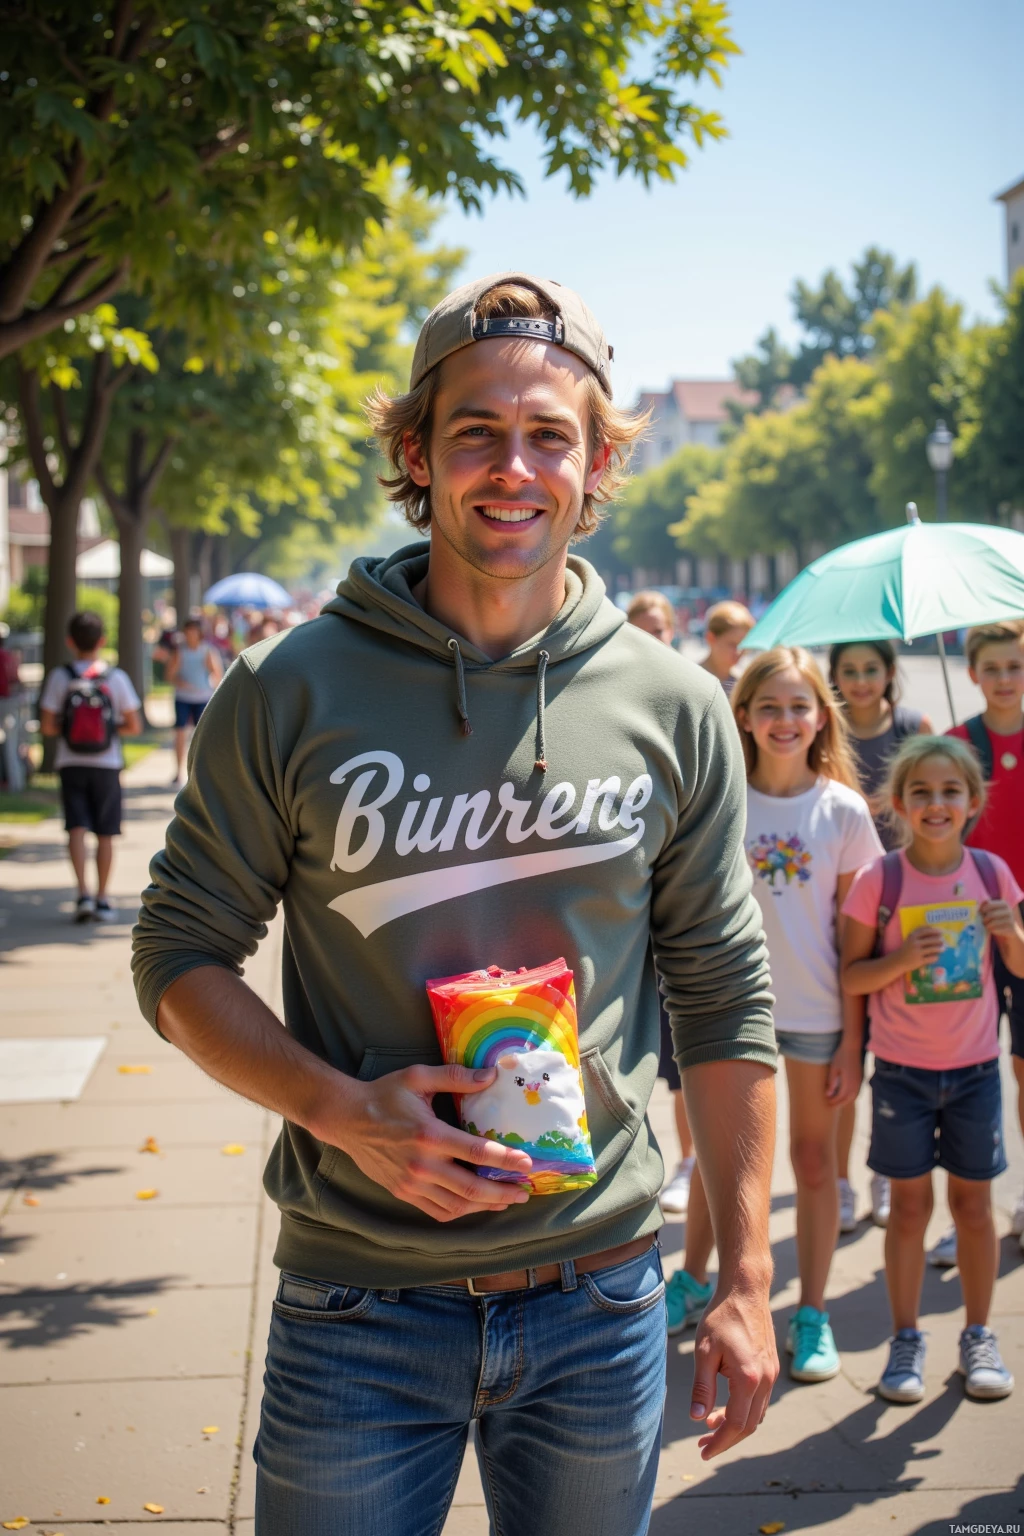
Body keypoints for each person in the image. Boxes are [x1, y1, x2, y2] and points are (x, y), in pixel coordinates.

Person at [133, 272, 779, 1536]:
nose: (514, 466)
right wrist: (341, 1111)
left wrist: (746, 1276)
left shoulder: (676, 706)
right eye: (477, 430)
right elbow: (178, 954)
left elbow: (722, 997)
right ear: (417, 454)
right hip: (358, 1310)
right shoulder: (286, 690)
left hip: (599, 1296)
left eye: (552, 436)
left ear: (596, 467)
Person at [673, 647, 881, 1378]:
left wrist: (856, 1042)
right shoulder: (721, 798)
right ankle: (694, 1280)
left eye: (799, 707)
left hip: (820, 1016)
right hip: (730, 1012)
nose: (785, 720)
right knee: (714, 1161)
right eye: (770, 707)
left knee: (815, 1162)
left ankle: (813, 1313)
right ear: (744, 717)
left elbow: (857, 942)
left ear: (822, 717)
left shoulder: (845, 811)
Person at [841, 735, 1024, 1403]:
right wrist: (900, 960)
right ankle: (906, 1339)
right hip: (902, 1078)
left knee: (975, 1210)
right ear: (898, 804)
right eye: (922, 792)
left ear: (973, 802)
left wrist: (1012, 932)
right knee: (910, 1211)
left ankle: (979, 1334)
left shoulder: (992, 873)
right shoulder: (879, 881)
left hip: (976, 1072)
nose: (936, 804)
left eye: (951, 792)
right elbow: (853, 975)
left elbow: (1020, 968)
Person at [829, 641, 933, 1235]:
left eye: (872, 669)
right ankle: (841, 1182)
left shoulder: (915, 726)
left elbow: (940, 791)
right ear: (836, 679)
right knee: (847, 1054)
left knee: (896, 1054)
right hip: (843, 910)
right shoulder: (828, 730)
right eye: (850, 671)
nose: (863, 680)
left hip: (908, 905)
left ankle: (884, 1174)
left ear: (889, 674)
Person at [947, 619, 1024, 1257]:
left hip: (1020, 933)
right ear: (972, 673)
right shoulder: (956, 745)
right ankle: (965, 1208)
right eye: (993, 668)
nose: (1004, 679)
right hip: (960, 936)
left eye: (1015, 666)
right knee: (965, 1073)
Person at [626, 591, 695, 1216]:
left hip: (675, 924)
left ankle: (692, 1160)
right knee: (660, 1062)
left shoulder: (687, 700)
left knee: (686, 1050)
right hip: (630, 936)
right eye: (637, 630)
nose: (649, 640)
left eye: (659, 630)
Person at [39, 609, 142, 922]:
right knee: (106, 832)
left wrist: (72, 727)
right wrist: (107, 729)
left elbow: (47, 727)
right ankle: (103, 898)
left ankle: (82, 892)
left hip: (71, 763)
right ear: (103, 641)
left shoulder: (61, 677)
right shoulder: (115, 678)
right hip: (107, 763)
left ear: (71, 642)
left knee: (77, 827)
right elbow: (133, 726)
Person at [166, 616, 222, 786]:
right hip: (183, 697)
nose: (191, 634)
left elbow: (217, 674)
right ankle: (178, 771)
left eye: (194, 631)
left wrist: (211, 685)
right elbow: (170, 675)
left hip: (202, 698)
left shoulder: (207, 651)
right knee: (180, 734)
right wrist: (180, 682)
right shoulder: (179, 652)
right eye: (188, 631)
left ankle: (201, 771)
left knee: (201, 735)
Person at [699, 600, 755, 695]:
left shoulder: (743, 684)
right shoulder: (694, 678)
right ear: (711, 638)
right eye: (732, 644)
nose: (739, 652)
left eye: (743, 645)